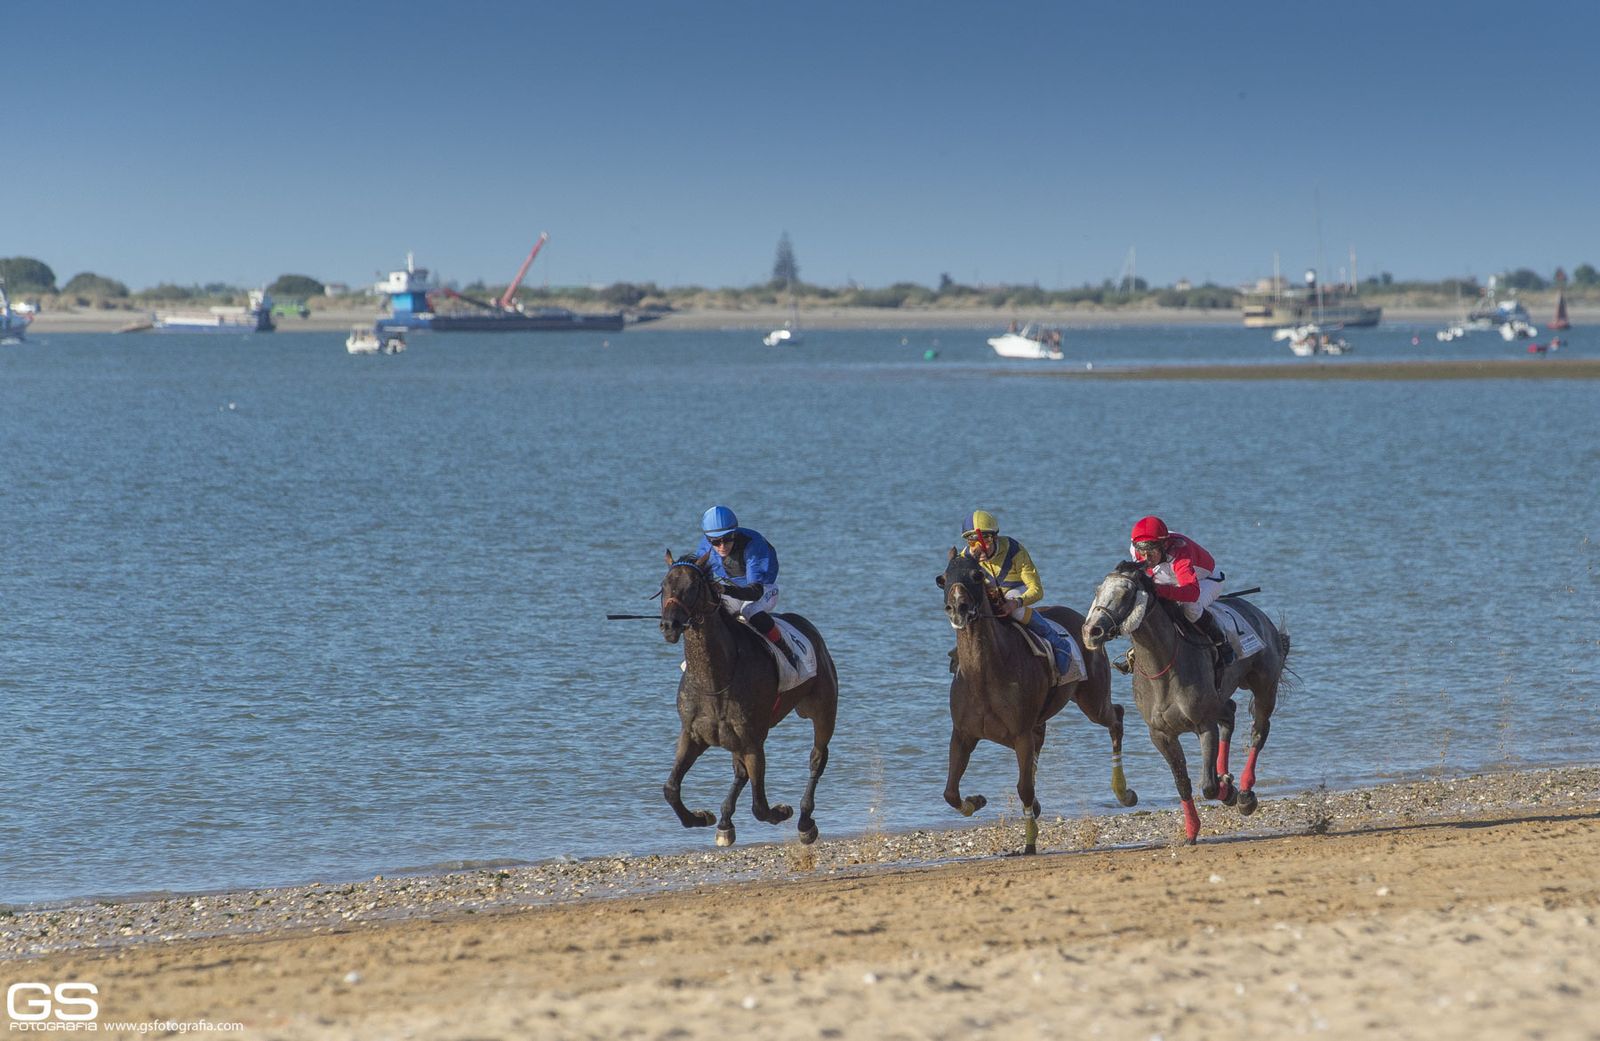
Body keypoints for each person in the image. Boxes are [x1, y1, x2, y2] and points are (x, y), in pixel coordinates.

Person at [959, 510, 1077, 679]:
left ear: (995, 537)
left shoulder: (1014, 550)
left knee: (1015, 609)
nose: (980, 547)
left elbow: (1037, 590)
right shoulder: (965, 557)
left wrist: (1016, 603)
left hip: (1016, 591)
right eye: (973, 542)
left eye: (986, 539)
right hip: (988, 597)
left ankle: (1057, 642)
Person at [695, 505, 799, 669]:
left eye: (727, 538)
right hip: (734, 589)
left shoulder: (753, 545)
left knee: (749, 611)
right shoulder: (704, 548)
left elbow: (755, 592)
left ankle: (785, 651)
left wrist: (724, 590)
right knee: (709, 612)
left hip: (764, 589)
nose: (722, 546)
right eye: (716, 541)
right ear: (708, 539)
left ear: (735, 533)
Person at [1128, 515, 1234, 674]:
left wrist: (1158, 590)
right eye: (1142, 553)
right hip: (1169, 581)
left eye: (1151, 553)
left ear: (1164, 545)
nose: (1146, 559)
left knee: (1189, 607)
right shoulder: (1136, 550)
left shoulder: (1180, 553)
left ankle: (1222, 643)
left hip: (1205, 581)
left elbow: (1191, 592)